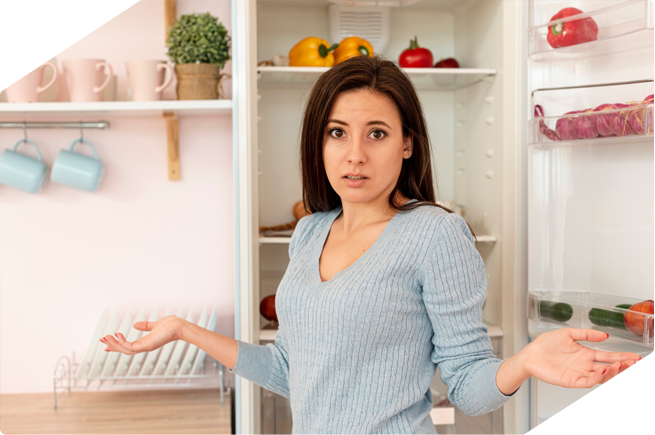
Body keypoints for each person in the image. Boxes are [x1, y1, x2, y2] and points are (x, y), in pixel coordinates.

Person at [100, 56, 641, 434]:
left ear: (407, 143)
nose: (354, 153)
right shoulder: (311, 230)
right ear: (319, 140)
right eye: (337, 132)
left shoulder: (434, 233)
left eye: (376, 133)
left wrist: (523, 361)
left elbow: (469, 388)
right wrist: (184, 331)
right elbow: (292, 373)